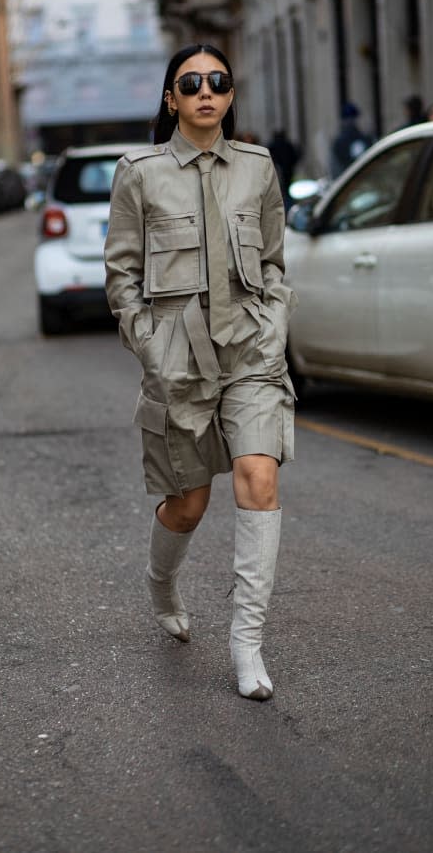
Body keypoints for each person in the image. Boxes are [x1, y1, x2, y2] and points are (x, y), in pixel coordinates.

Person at [104, 43, 296, 702]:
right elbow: (122, 278)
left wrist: (274, 327)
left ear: (231, 94)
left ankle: (247, 642)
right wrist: (152, 349)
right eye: (191, 83)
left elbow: (272, 261)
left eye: (218, 81)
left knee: (258, 475)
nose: (206, 91)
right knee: (188, 504)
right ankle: (161, 582)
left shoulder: (258, 167)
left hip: (248, 353)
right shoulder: (139, 173)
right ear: (172, 99)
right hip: (179, 361)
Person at [330, 101, 373, 178]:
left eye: (352, 118)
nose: (351, 121)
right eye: (348, 119)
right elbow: (335, 168)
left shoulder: (366, 139)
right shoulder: (339, 143)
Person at [266, 128, 302, 208]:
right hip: (287, 172)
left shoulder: (273, 146)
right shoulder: (288, 145)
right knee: (287, 192)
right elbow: (296, 156)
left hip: (279, 173)